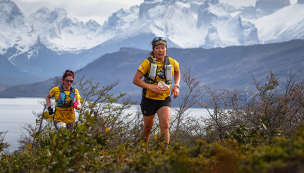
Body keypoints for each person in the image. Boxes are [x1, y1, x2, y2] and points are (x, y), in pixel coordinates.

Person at [133, 37, 180, 151]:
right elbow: (136, 80)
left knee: (165, 125)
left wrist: (176, 86)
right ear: (153, 50)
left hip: (164, 99)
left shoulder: (172, 62)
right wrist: (151, 87)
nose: (160, 50)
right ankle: (142, 151)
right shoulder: (147, 62)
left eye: (163, 48)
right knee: (148, 128)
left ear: (166, 50)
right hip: (149, 99)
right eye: (157, 48)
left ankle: (164, 154)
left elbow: (177, 72)